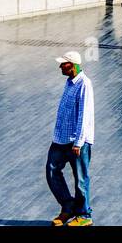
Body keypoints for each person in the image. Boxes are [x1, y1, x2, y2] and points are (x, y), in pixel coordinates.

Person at [47, 51, 94, 226]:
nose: (60, 66)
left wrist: (79, 142)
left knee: (81, 178)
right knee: (51, 171)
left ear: (72, 65)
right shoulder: (69, 83)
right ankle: (68, 206)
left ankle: (84, 215)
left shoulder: (84, 84)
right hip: (60, 139)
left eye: (63, 64)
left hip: (77, 142)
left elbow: (84, 115)